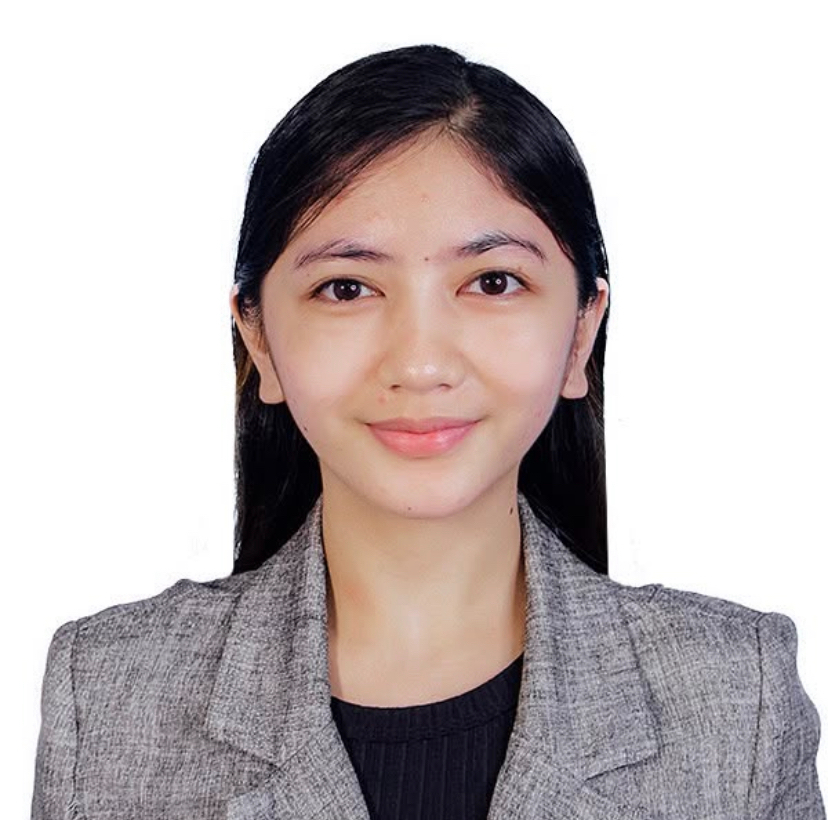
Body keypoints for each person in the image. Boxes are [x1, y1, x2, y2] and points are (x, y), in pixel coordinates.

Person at [31, 43, 824, 820]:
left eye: (492, 282)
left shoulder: (737, 698)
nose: (419, 363)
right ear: (259, 340)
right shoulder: (108, 695)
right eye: (347, 288)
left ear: (582, 331)